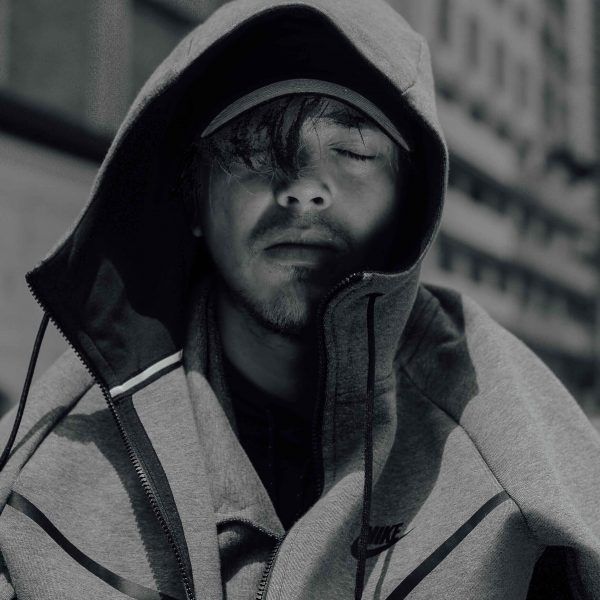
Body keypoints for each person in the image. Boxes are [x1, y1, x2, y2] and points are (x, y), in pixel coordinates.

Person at [0, 0, 599, 598]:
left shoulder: (519, 473)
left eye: (353, 152)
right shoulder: (36, 485)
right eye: (255, 150)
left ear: (409, 204)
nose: (304, 190)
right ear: (193, 198)